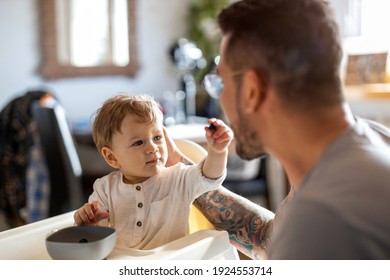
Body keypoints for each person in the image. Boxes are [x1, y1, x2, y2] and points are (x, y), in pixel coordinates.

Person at [166, 0, 390, 259]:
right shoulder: (369, 142)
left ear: (252, 89)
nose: (222, 98)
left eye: (221, 82)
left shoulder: (324, 218)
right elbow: (268, 238)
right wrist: (183, 174)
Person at [73, 94, 233, 250]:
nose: (152, 148)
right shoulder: (104, 189)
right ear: (112, 157)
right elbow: (94, 237)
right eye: (139, 142)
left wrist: (218, 151)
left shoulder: (178, 178)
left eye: (157, 137)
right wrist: (88, 224)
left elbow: (210, 176)